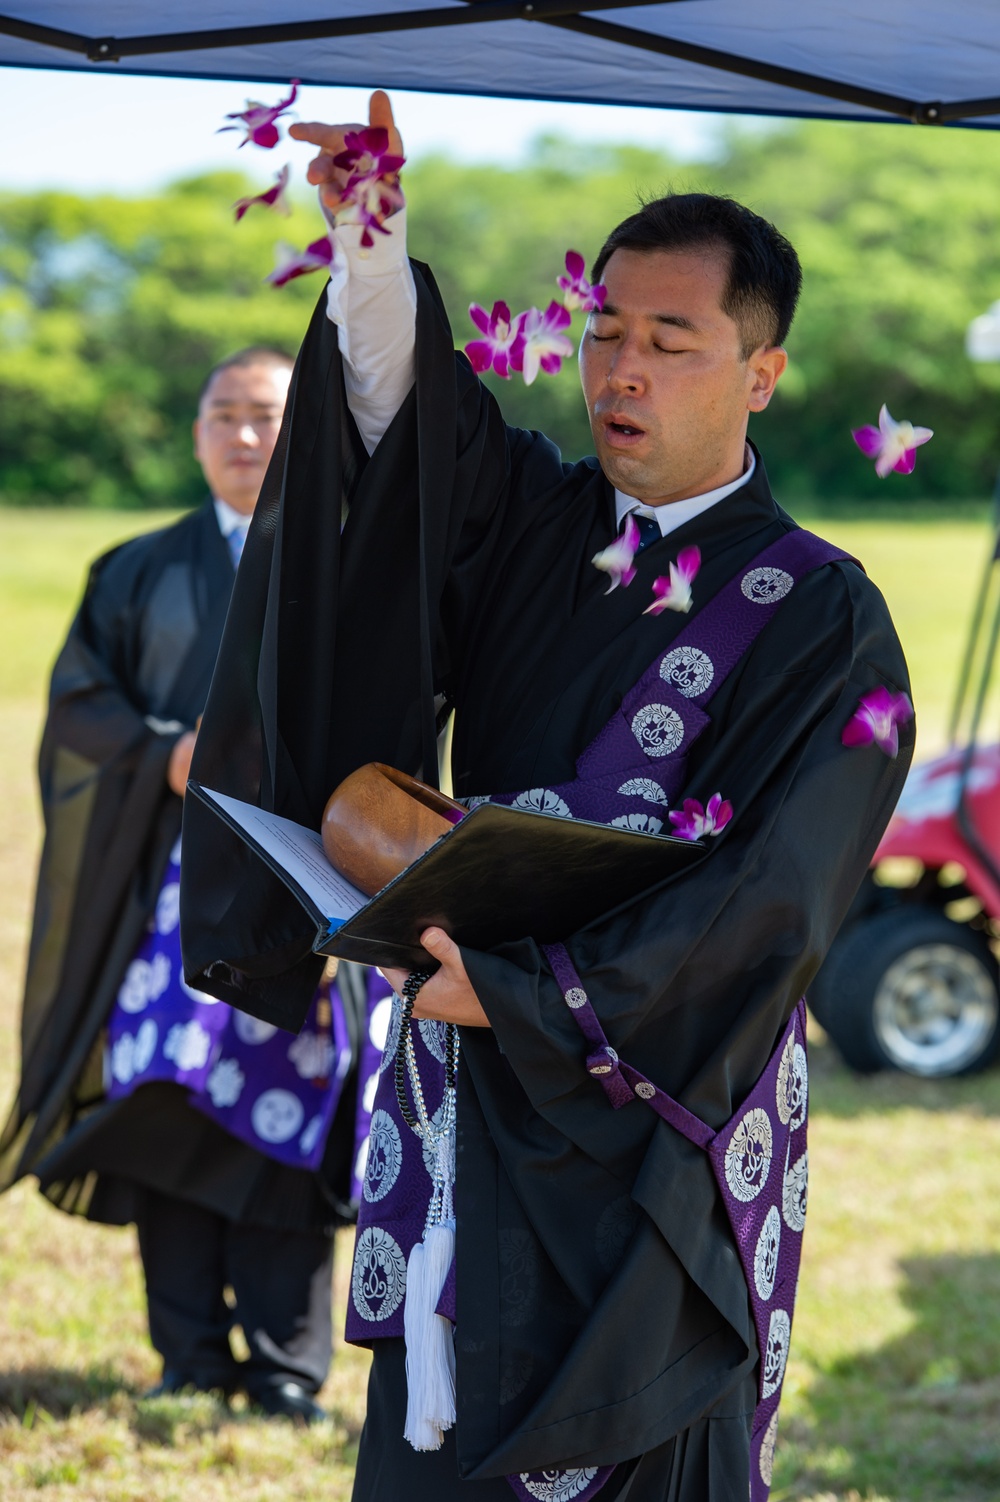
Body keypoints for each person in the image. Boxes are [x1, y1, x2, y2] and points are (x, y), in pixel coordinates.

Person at [180, 94, 914, 1497]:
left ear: (761, 373)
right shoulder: (540, 526)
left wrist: (532, 994)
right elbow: (411, 441)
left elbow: (777, 898)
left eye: (671, 341)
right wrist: (372, 247)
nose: (620, 371)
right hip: (467, 1079)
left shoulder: (824, 615)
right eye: (606, 333)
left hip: (653, 1108)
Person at [0, 346, 391, 1422]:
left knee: (285, 1114)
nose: (246, 436)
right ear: (195, 432)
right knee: (164, 1105)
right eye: (224, 415)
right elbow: (81, 706)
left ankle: (283, 1366)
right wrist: (165, 753)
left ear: (302, 430)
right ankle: (188, 1353)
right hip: (159, 902)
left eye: (267, 415)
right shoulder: (136, 569)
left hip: (296, 897)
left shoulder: (349, 565)